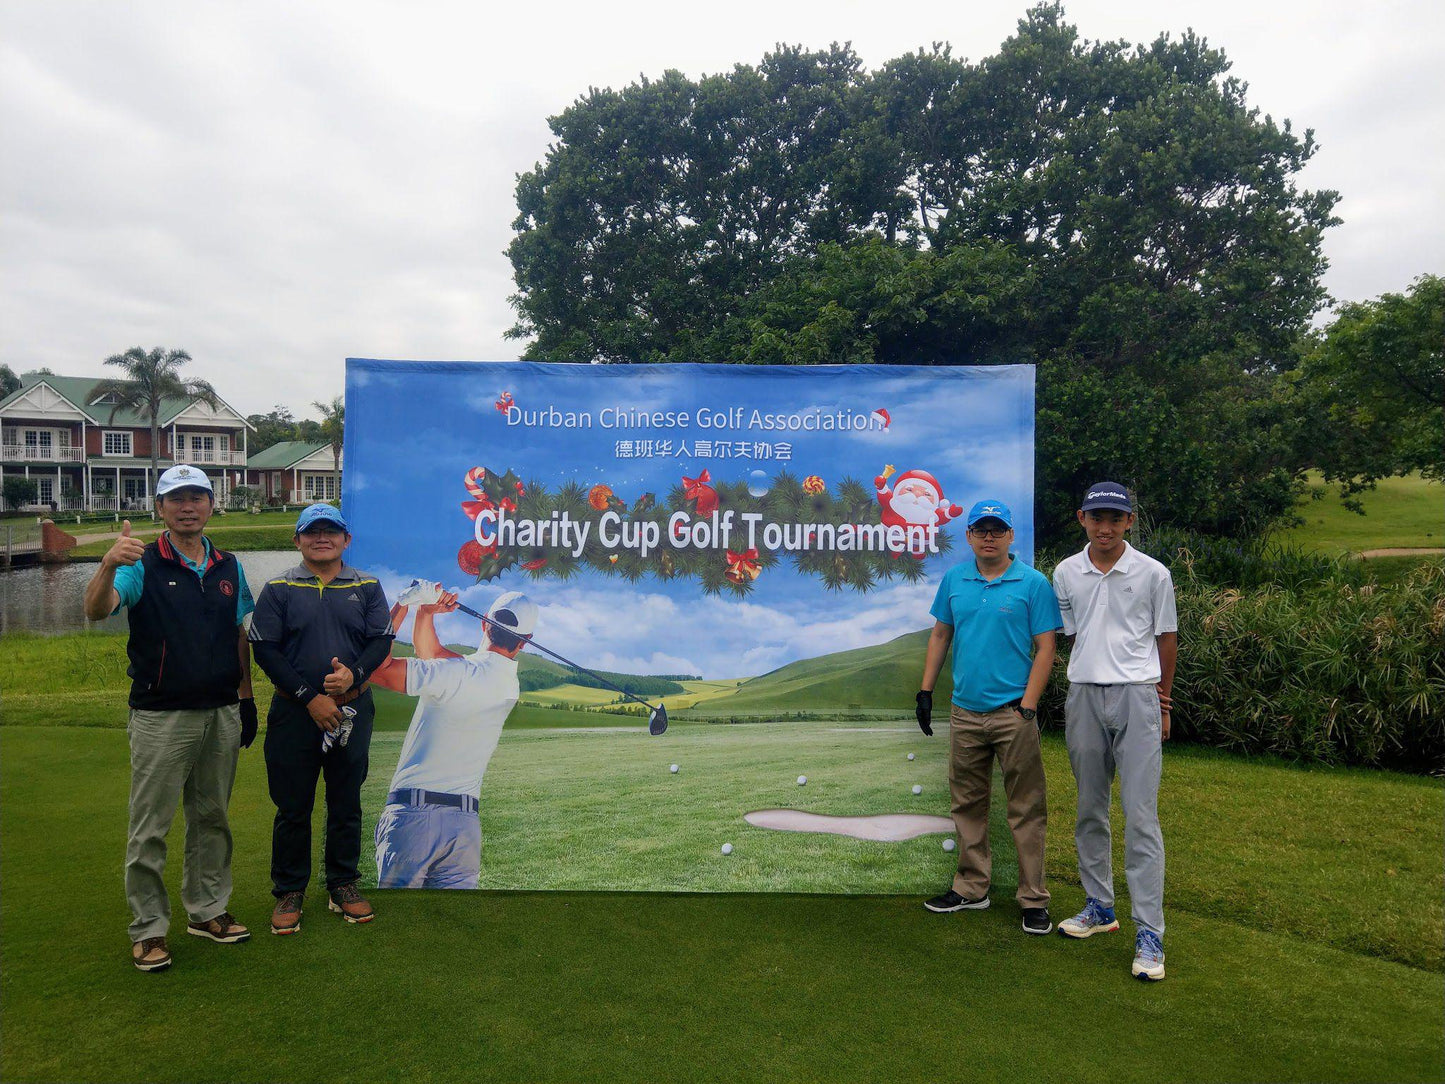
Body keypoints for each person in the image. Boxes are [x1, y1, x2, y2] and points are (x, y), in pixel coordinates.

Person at [81, 464, 258, 972]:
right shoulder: (141, 562)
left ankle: (206, 912)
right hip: (162, 715)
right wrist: (107, 565)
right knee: (151, 827)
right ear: (160, 508)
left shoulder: (228, 565)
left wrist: (245, 699)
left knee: (212, 819)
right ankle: (149, 929)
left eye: (197, 497)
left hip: (221, 711)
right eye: (176, 498)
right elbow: (98, 610)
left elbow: (239, 633)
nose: (187, 506)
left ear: (209, 504)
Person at [915, 499, 1062, 935]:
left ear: (1011, 535)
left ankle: (1033, 898)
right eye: (981, 530)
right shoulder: (955, 579)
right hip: (965, 713)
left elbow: (1046, 647)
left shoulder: (1033, 584)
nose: (989, 537)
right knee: (967, 804)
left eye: (997, 529)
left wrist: (1029, 704)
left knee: (1026, 808)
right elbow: (941, 634)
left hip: (1013, 713)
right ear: (970, 536)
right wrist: (925, 691)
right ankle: (971, 888)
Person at [1051, 481, 1178, 980]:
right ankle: (1100, 907)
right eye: (1096, 517)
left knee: (1141, 816)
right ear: (1082, 518)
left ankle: (1150, 933)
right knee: (1089, 808)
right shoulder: (1065, 572)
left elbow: (1165, 638)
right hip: (1084, 693)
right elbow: (1076, 634)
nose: (1105, 527)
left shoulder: (1153, 573)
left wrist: (1163, 702)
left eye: (1116, 519)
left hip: (1139, 696)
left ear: (1129, 522)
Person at [248, 504, 393, 934]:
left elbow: (380, 641)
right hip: (295, 712)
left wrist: (355, 674)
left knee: (346, 801)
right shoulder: (278, 588)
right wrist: (310, 697)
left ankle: (343, 883)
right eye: (312, 533)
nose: (322, 538)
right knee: (293, 805)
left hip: (353, 708)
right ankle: (290, 889)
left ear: (346, 541)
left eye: (332, 532)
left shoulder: (367, 586)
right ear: (298, 541)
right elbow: (265, 650)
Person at [368, 584, 536, 889]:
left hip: (413, 819)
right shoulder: (508, 686)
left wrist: (404, 604)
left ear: (484, 622)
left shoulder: (454, 673)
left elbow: (376, 668)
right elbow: (430, 655)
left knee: (397, 929)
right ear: (525, 643)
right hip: (464, 828)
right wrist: (426, 612)